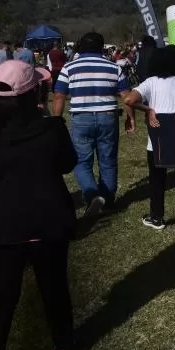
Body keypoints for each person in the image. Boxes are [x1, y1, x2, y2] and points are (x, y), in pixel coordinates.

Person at [0, 61, 78, 350]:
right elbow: (67, 163)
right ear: (33, 93)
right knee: (53, 287)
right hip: (46, 221)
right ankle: (65, 347)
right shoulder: (52, 128)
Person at [51, 32, 134, 217]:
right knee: (108, 160)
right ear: (101, 47)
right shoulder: (113, 67)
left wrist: (57, 121)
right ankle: (107, 200)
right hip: (108, 117)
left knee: (81, 161)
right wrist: (131, 118)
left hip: (81, 118)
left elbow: (58, 95)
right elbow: (127, 97)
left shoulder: (69, 68)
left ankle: (92, 194)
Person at [123, 46, 175, 240]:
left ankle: (156, 216)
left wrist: (148, 110)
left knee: (157, 180)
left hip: (157, 141)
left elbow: (129, 99)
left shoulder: (150, 83)